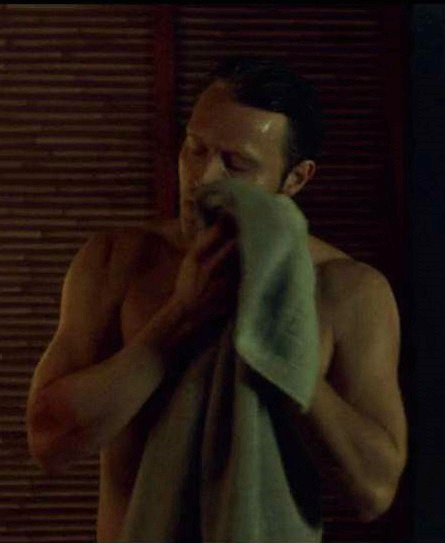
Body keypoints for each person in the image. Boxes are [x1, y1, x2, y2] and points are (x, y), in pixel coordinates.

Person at [26, 56, 408, 541]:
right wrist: (178, 320)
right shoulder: (117, 262)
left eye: (236, 163)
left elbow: (373, 491)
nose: (204, 179)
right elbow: (48, 440)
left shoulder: (348, 291)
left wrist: (279, 350)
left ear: (296, 178)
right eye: (195, 148)